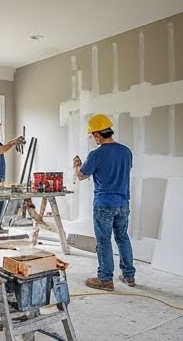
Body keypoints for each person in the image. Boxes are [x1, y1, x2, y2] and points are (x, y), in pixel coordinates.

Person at [72, 113, 135, 291]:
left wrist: (76, 165)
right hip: (123, 203)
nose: (94, 139)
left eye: (93, 136)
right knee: (122, 238)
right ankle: (129, 276)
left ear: (98, 135)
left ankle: (105, 279)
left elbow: (82, 176)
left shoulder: (96, 154)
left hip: (104, 204)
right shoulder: (126, 151)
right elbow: (123, 169)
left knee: (104, 241)